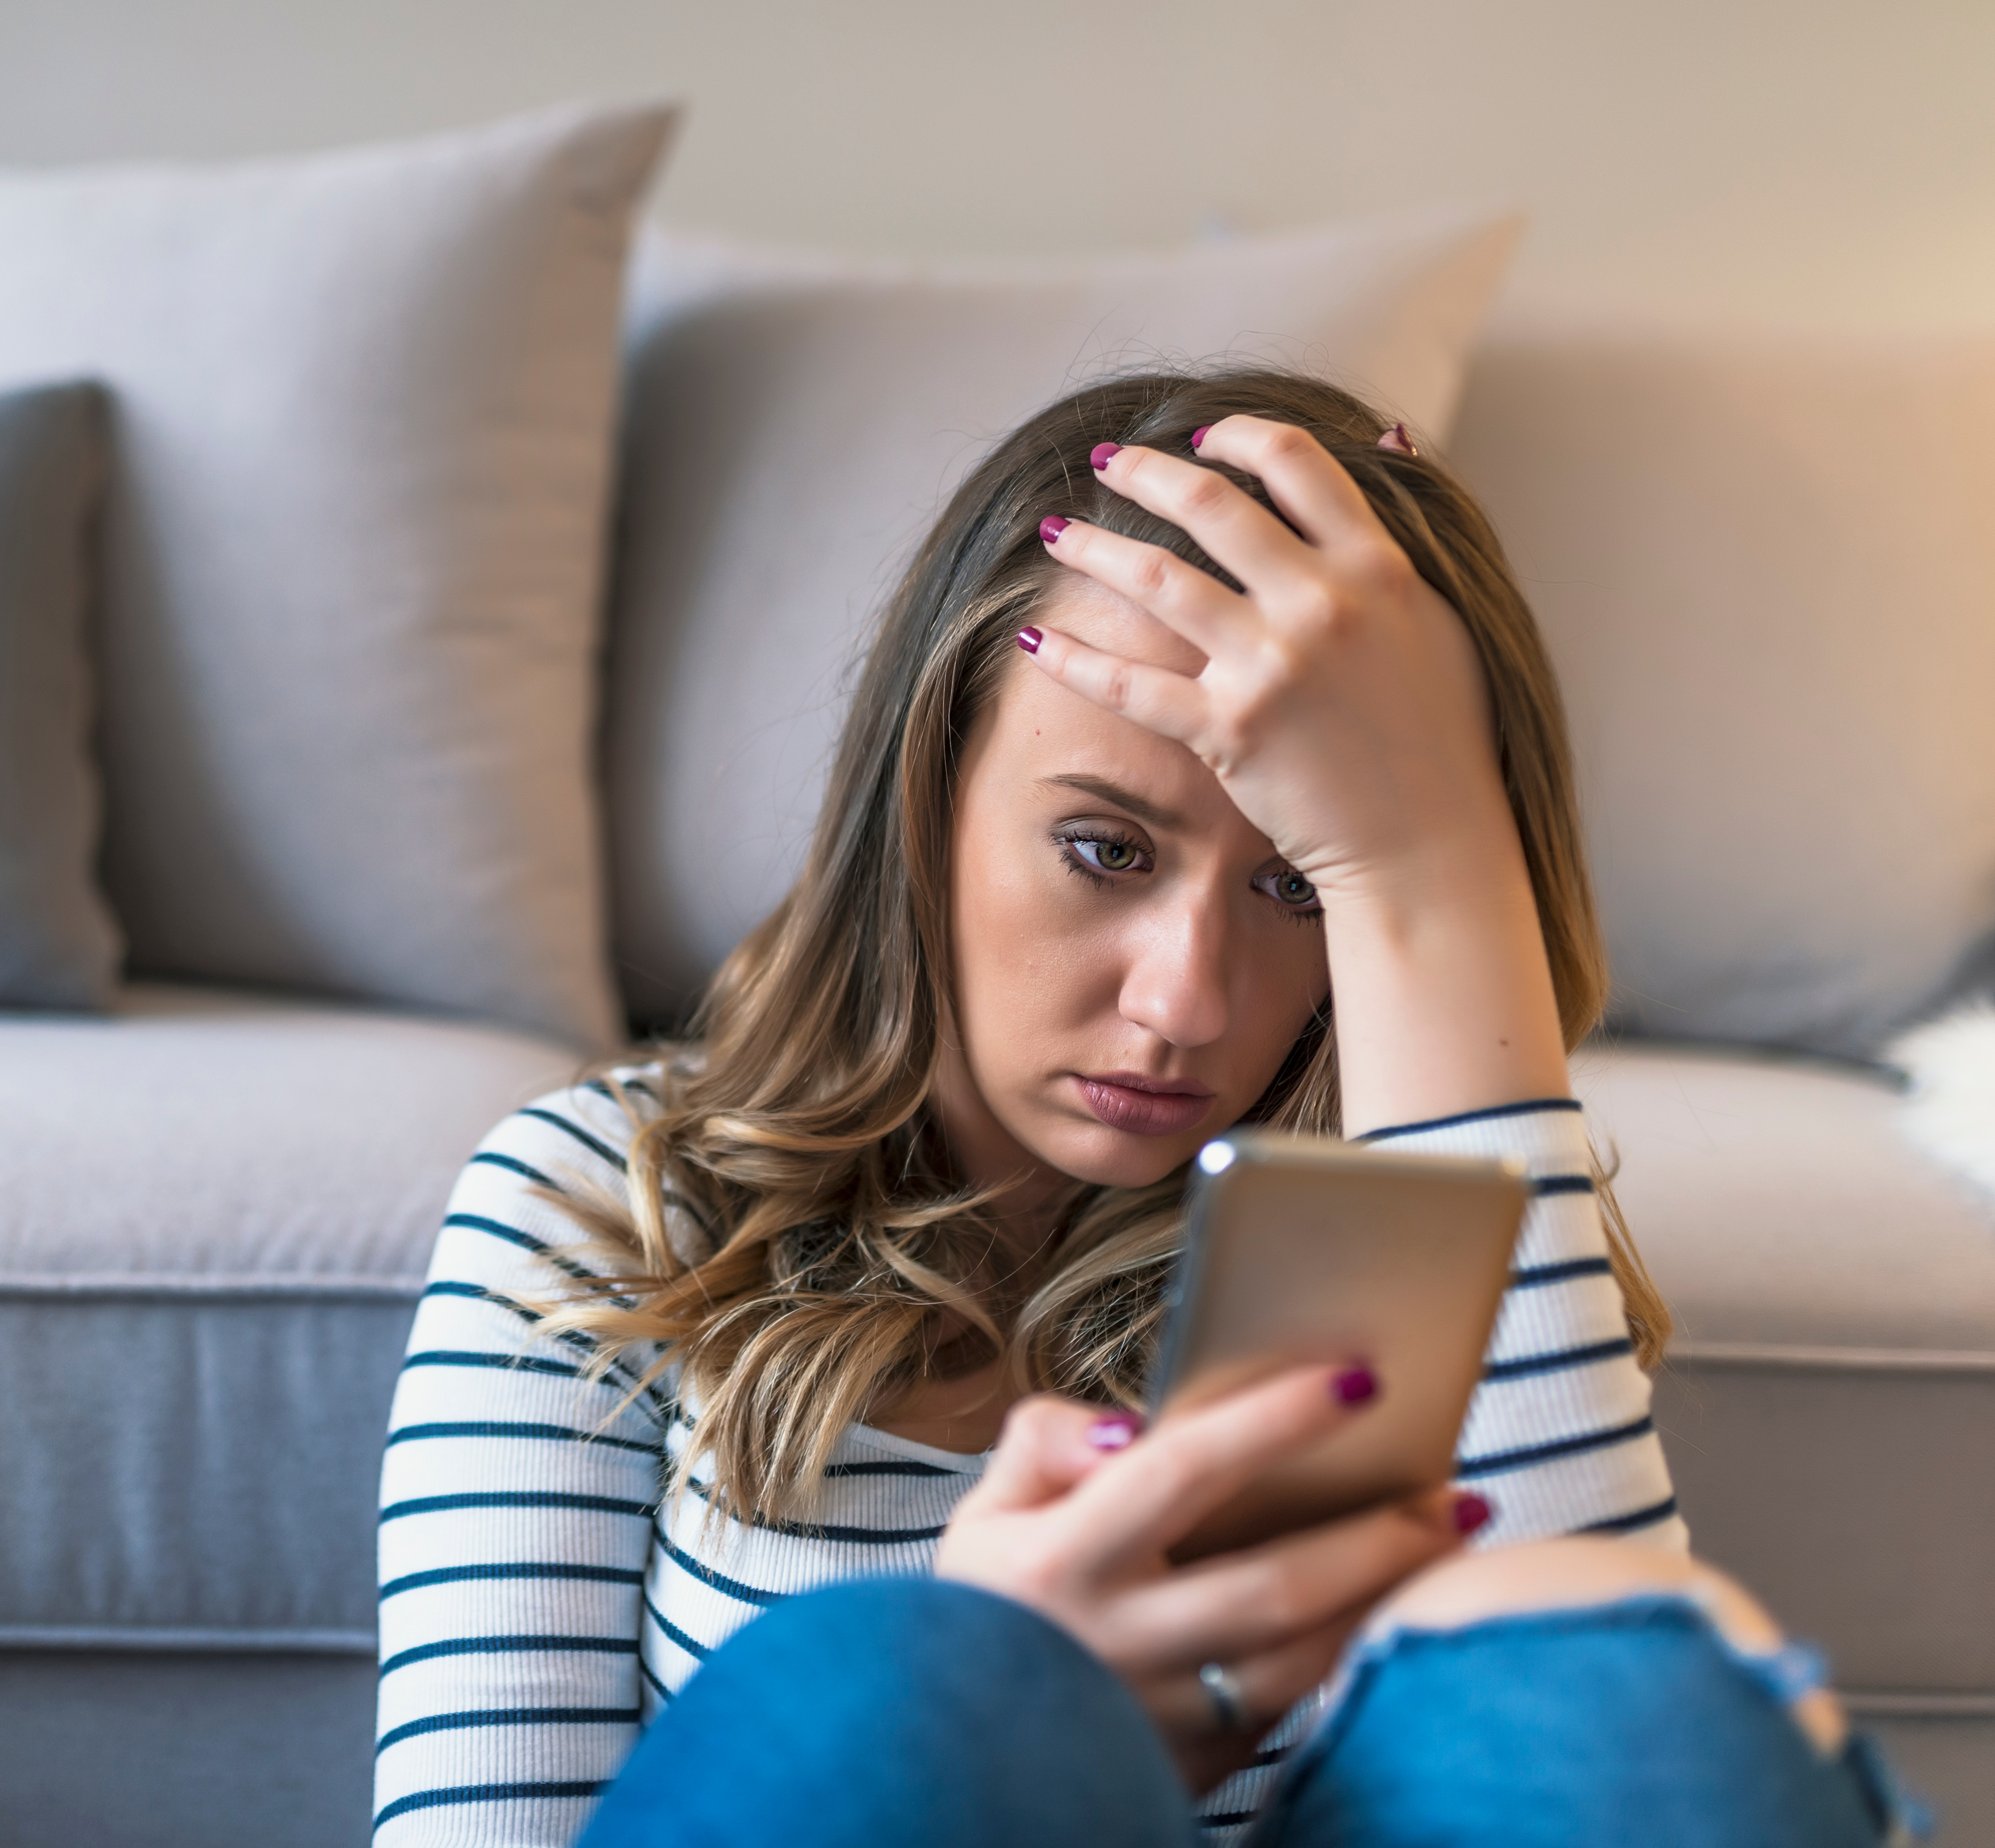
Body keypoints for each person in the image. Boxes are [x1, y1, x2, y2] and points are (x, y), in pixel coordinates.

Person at [371, 372, 1921, 1843]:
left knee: (1625, 1693)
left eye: (1298, 887)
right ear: (926, 800)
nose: (1185, 1006)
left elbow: (1594, 1717)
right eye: (1106, 849)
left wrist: (1426, 856)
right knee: (906, 1685)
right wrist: (996, 1688)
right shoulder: (594, 1198)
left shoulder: (1388, 1263)